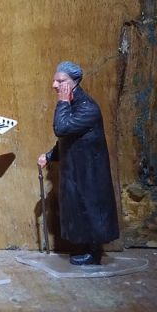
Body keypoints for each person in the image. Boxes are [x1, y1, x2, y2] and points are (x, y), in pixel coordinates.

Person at [37, 61, 119, 266]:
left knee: (91, 208)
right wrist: (50, 155)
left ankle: (94, 252)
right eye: (55, 80)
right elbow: (67, 138)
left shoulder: (87, 108)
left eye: (60, 81)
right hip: (77, 170)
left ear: (74, 82)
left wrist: (63, 103)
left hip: (90, 172)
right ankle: (85, 247)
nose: (55, 85)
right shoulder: (75, 105)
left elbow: (62, 128)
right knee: (79, 209)